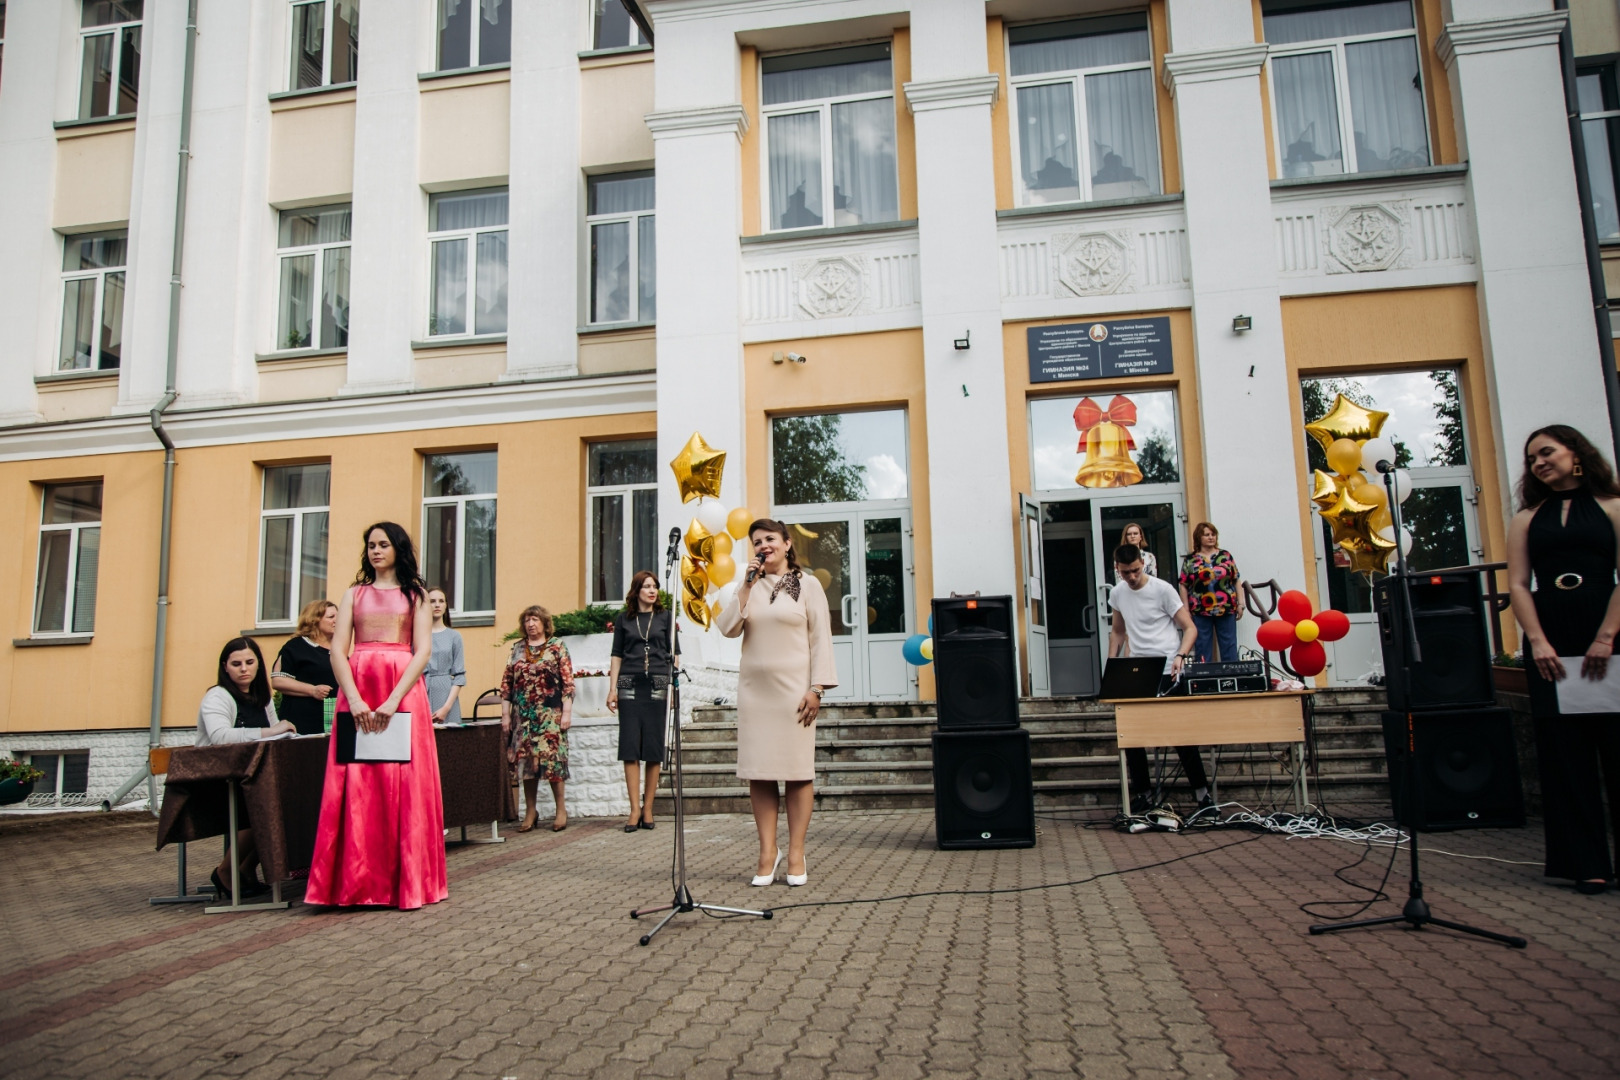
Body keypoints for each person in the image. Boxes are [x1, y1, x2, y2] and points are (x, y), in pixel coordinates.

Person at [305, 522, 448, 910]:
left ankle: (403, 884)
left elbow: (422, 652)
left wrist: (392, 700)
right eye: (371, 545)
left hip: (402, 693)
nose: (376, 550)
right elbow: (338, 650)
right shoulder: (354, 594)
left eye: (383, 544)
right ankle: (355, 883)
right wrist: (352, 699)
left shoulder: (415, 595)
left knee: (403, 783)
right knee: (356, 783)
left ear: (398, 549)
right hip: (358, 688)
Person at [1507, 424, 1620, 895]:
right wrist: (1537, 641)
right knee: (1564, 755)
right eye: (1533, 458)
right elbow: (1518, 584)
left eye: (1546, 452)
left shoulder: (1614, 507)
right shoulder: (1528, 518)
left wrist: (1606, 637)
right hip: (1552, 637)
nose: (1538, 463)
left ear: (1577, 454)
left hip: (1607, 630)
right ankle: (1586, 863)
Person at [716, 518, 837, 888]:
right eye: (756, 541)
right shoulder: (748, 585)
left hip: (794, 694)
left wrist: (817, 688)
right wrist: (746, 586)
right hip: (756, 694)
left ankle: (797, 851)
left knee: (798, 772)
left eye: (770, 538)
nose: (762, 545)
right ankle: (768, 851)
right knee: (760, 772)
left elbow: (821, 639)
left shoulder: (809, 585)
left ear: (786, 544)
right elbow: (727, 628)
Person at [1107, 542, 1211, 815]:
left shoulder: (1163, 589)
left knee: (1182, 736)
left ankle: (1203, 797)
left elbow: (1189, 628)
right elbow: (1118, 632)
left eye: (1136, 571)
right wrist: (1113, 664)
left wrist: (1180, 655)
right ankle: (1142, 794)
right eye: (1125, 572)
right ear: (1117, 569)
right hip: (1138, 670)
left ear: (1143, 564)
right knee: (1132, 737)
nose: (1131, 577)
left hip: (1168, 669)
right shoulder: (1118, 593)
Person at [195, 636, 296, 898]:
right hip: (216, 781)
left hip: (250, 777)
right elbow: (220, 737)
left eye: (250, 662)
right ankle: (225, 872)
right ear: (225, 667)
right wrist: (271, 731)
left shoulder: (261, 698)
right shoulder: (217, 696)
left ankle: (246, 868)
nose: (244, 668)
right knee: (265, 806)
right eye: (236, 663)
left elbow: (274, 736)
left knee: (290, 801)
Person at [607, 570, 677, 833]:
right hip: (628, 680)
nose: (652, 590)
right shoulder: (624, 619)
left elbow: (674, 654)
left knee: (653, 746)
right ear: (636, 591)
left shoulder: (666, 617)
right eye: (647, 586)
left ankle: (648, 807)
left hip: (658, 680)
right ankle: (634, 808)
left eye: (655, 586)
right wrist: (612, 689)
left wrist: (671, 688)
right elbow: (616, 656)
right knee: (630, 746)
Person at [501, 605, 574, 833]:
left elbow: (568, 683)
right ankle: (531, 811)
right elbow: (506, 684)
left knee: (553, 762)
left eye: (534, 619)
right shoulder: (517, 649)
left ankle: (560, 810)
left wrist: (567, 712)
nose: (530, 624)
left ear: (544, 622)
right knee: (526, 764)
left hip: (550, 716)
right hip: (523, 716)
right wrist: (505, 714)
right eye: (527, 620)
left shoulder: (557, 646)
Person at [1178, 521, 1243, 663]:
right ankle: (1205, 679)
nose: (1210, 537)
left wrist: (1241, 603)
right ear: (1198, 538)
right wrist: (1186, 609)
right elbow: (1183, 584)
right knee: (1202, 645)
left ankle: (1231, 676)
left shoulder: (1225, 556)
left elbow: (1236, 579)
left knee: (1229, 645)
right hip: (1200, 609)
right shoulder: (1191, 560)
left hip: (1226, 607)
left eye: (1213, 534)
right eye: (1206, 535)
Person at [271, 600, 337, 736]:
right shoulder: (295, 647)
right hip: (303, 722)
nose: (337, 620)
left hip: (330, 723)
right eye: (331, 617)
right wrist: (312, 690)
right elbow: (278, 680)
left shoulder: (338, 649)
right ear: (314, 620)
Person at [424, 587, 467, 725]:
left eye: (441, 601)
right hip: (423, 691)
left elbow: (459, 675)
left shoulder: (454, 637)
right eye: (432, 601)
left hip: (446, 694)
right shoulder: (418, 636)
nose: (437, 605)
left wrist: (446, 707)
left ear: (446, 605)